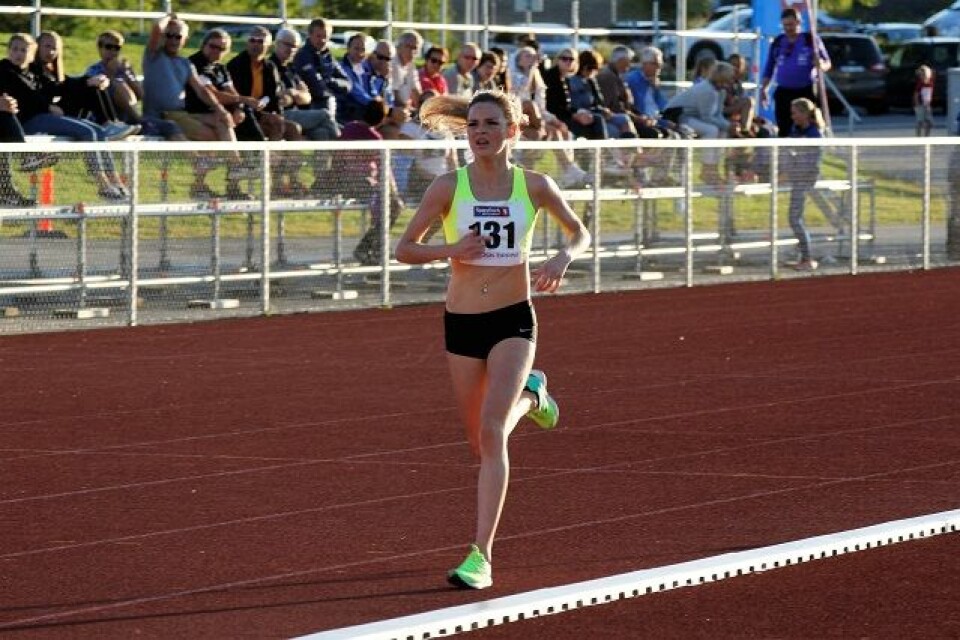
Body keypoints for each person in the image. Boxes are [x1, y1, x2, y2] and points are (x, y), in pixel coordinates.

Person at [394, 89, 590, 590]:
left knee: (492, 430)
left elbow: (579, 233)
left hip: (513, 319)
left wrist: (563, 257)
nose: (480, 132)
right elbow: (404, 249)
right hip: (462, 322)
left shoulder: (536, 186)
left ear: (512, 131)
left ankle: (480, 554)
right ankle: (534, 394)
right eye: (474, 124)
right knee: (480, 443)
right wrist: (451, 249)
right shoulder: (447, 187)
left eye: (490, 124)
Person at [1, 33, 129, 201]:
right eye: (15, 49)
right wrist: (48, 106)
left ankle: (115, 181)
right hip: (28, 122)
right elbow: (27, 94)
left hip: (43, 118)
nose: (18, 54)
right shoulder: (5, 69)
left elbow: (60, 86)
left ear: (32, 54)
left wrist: (87, 81)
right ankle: (103, 185)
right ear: (8, 51)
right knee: (88, 131)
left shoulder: (34, 72)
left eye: (24, 50)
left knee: (98, 131)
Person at [32, 31, 137, 141]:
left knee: (94, 85)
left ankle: (111, 123)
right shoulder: (33, 69)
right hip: (46, 114)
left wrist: (92, 80)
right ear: (37, 47)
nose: (51, 51)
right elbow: (52, 89)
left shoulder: (53, 71)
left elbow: (66, 83)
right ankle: (110, 123)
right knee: (89, 85)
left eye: (55, 48)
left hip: (61, 110)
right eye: (47, 46)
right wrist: (87, 82)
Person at [85, 29, 185, 140]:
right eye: (109, 47)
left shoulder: (123, 69)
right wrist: (111, 74)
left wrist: (128, 75)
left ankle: (196, 156)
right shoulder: (94, 70)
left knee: (170, 126)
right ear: (100, 48)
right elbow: (97, 96)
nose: (113, 52)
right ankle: (139, 120)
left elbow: (141, 95)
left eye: (117, 48)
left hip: (128, 120)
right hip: (106, 121)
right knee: (118, 83)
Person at [760, 7, 831, 137]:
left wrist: (820, 64)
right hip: (784, 91)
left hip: (805, 91)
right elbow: (769, 67)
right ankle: (785, 154)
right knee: (784, 127)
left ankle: (811, 153)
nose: (788, 28)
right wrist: (764, 88)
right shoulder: (778, 42)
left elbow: (827, 63)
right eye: (785, 25)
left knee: (808, 126)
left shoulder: (810, 40)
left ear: (798, 23)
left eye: (791, 24)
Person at [665, 61, 738, 185]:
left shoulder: (721, 91)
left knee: (722, 131)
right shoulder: (706, 90)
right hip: (679, 117)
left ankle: (714, 168)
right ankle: (707, 170)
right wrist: (728, 125)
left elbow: (717, 115)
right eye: (730, 77)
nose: (733, 80)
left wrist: (729, 126)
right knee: (712, 130)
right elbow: (707, 118)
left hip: (695, 117)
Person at [270, 28, 338, 141]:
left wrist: (292, 93)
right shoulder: (270, 66)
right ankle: (343, 152)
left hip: (298, 113)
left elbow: (307, 98)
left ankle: (323, 159)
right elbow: (278, 99)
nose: (291, 49)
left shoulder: (292, 68)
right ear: (277, 44)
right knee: (325, 114)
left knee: (322, 133)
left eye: (295, 46)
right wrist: (295, 95)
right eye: (287, 44)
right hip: (280, 114)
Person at [781, 97, 824, 271]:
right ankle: (802, 255)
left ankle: (807, 257)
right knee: (796, 218)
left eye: (795, 113)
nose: (792, 117)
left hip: (805, 179)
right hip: (796, 177)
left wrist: (792, 164)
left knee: (794, 219)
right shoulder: (796, 130)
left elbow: (809, 161)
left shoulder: (814, 133)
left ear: (805, 114)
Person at [293, 17, 350, 129]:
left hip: (332, 104)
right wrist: (331, 86)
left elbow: (347, 84)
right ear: (310, 35)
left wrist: (330, 81)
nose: (322, 40)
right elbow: (318, 88)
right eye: (319, 36)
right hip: (311, 107)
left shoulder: (328, 56)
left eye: (326, 37)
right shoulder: (303, 56)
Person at [914, 64, 934, 137]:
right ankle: (918, 137)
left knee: (929, 122)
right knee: (920, 121)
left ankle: (926, 136)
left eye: (925, 74)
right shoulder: (920, 84)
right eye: (922, 75)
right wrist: (917, 104)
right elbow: (916, 95)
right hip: (921, 104)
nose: (923, 76)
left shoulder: (930, 82)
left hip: (927, 104)